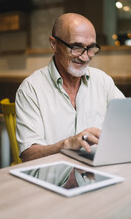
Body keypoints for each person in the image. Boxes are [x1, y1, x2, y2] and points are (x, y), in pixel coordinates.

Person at [15, 13, 124, 162]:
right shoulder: (31, 89)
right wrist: (67, 144)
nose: (85, 57)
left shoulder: (103, 81)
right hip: (51, 177)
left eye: (91, 48)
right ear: (54, 44)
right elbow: (29, 155)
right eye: (76, 47)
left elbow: (128, 126)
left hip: (96, 173)